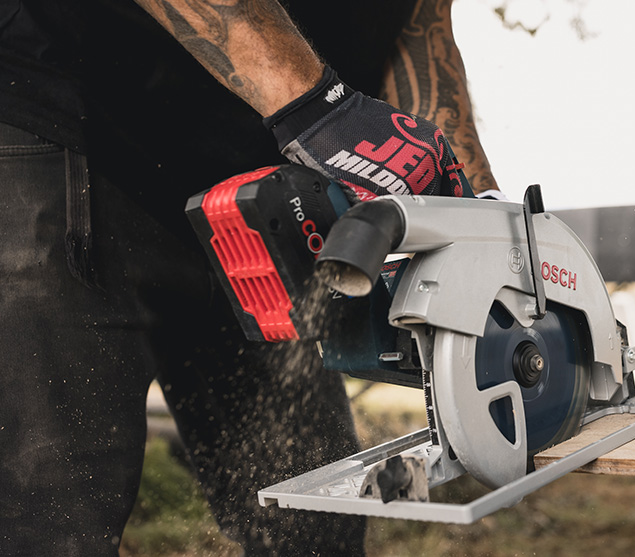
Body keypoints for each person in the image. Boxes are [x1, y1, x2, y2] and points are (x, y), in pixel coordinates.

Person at [0, 0, 500, 555]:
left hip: (257, 200)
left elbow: (418, 32)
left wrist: (485, 232)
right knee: (47, 518)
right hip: (74, 133)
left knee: (314, 521)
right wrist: (320, 108)